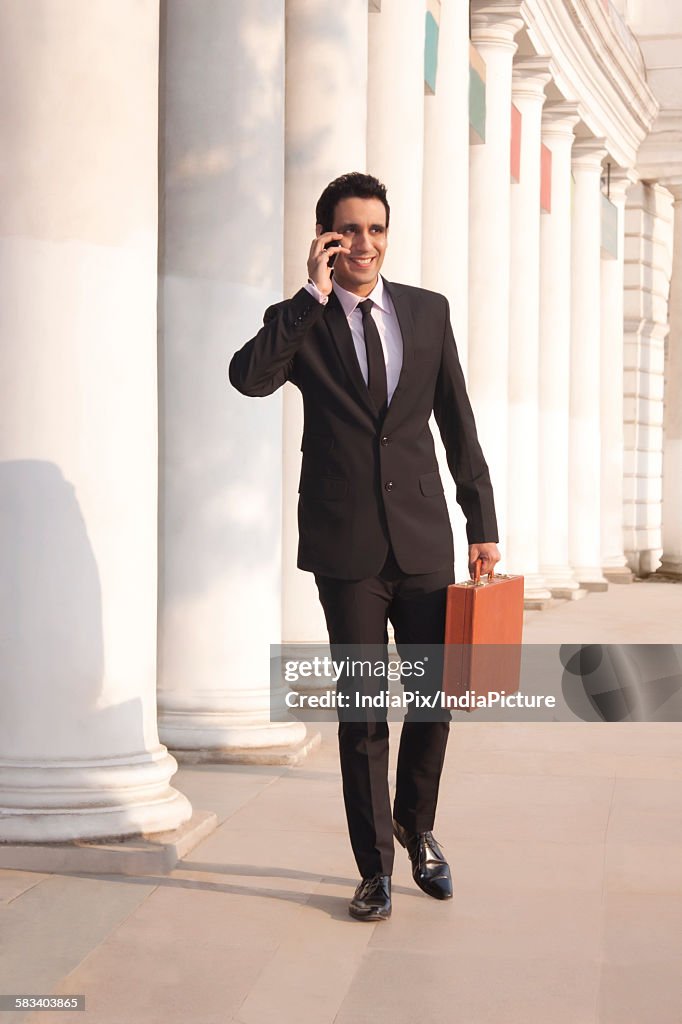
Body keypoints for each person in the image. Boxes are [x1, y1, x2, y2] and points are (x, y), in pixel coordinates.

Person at [229, 172, 500, 921]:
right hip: (345, 549)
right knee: (361, 713)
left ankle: (417, 826)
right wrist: (306, 299)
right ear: (325, 239)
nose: (364, 244)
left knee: (436, 699)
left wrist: (483, 524)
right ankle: (375, 869)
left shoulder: (426, 312)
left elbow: (459, 424)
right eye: (349, 230)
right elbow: (248, 379)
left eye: (376, 229)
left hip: (422, 542)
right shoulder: (302, 321)